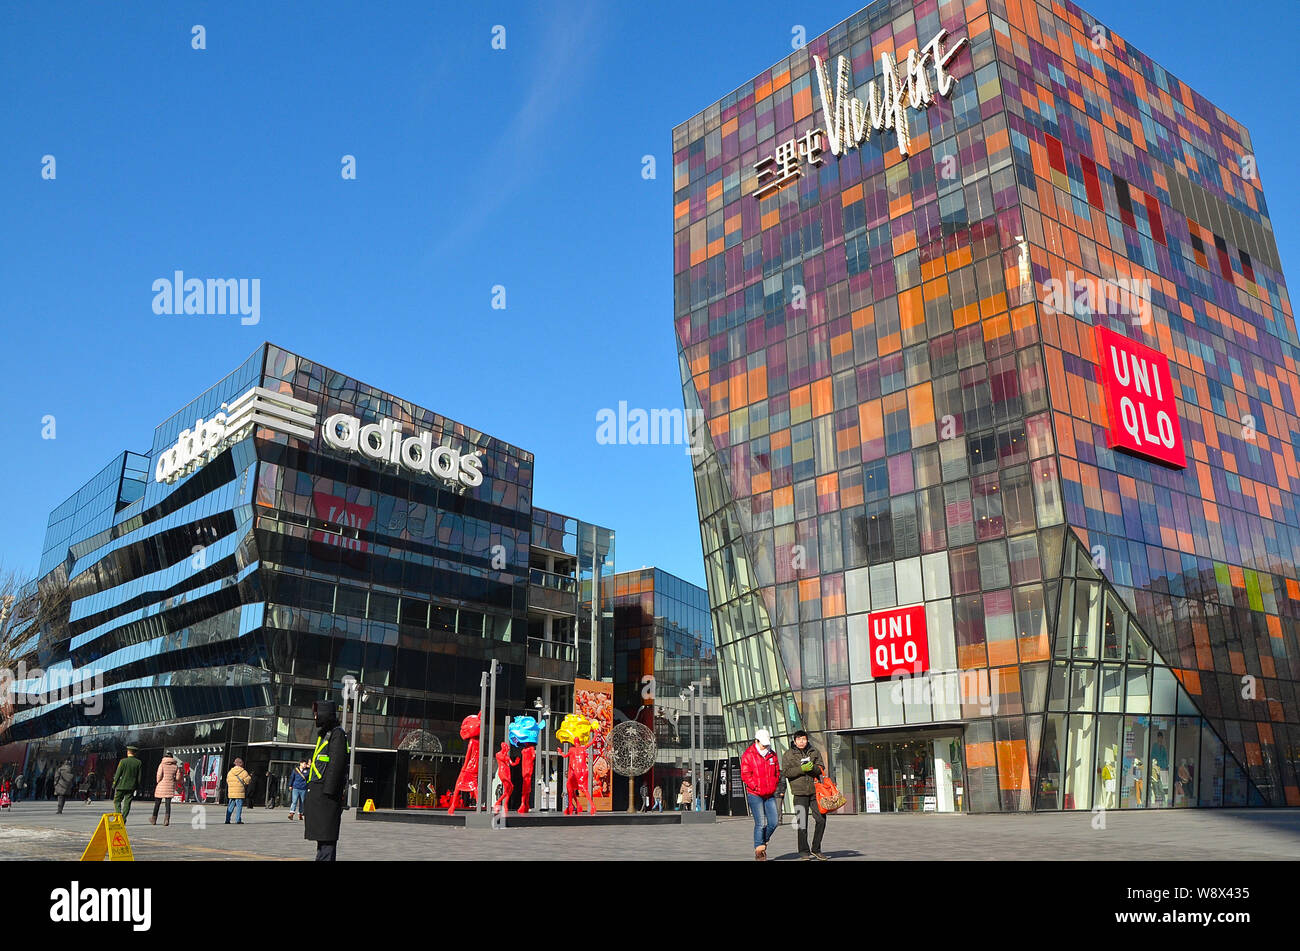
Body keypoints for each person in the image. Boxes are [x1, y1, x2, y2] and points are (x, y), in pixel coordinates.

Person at [305, 700, 350, 861]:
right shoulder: (326, 734)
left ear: (325, 713)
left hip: (326, 797)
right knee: (323, 838)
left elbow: (336, 764)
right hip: (320, 794)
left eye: (317, 713)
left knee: (327, 839)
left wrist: (328, 792)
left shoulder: (337, 733)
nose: (315, 717)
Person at [781, 730, 828, 860]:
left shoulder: (814, 751)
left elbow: (821, 768)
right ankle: (803, 851)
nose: (802, 741)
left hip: (815, 792)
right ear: (795, 741)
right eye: (799, 739)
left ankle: (816, 848)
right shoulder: (788, 754)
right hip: (799, 793)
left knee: (821, 820)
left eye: (804, 739)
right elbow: (786, 772)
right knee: (802, 823)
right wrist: (801, 769)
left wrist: (812, 767)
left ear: (807, 740)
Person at [740, 727, 781, 861]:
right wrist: (755, 786)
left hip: (769, 794)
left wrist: (774, 784)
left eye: (767, 744)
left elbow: (776, 772)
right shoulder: (748, 755)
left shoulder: (772, 754)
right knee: (761, 823)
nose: (765, 746)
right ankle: (759, 851)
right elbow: (745, 775)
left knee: (774, 822)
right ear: (756, 741)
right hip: (755, 793)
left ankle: (763, 840)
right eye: (763, 744)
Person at [111, 745, 143, 820]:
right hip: (131, 787)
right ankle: (123, 818)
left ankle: (118, 816)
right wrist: (137, 786)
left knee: (117, 801)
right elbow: (139, 777)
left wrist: (114, 784)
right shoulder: (138, 762)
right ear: (135, 753)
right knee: (127, 803)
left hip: (121, 786)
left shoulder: (123, 761)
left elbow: (117, 774)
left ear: (128, 752)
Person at [152, 751, 179, 826]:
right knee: (168, 804)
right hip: (170, 786)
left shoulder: (162, 765)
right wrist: (173, 780)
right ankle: (166, 820)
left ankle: (154, 819)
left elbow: (159, 775)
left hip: (161, 785)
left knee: (157, 803)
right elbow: (178, 777)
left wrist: (158, 781)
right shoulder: (175, 766)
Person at [224, 758, 252, 824]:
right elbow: (248, 781)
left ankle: (227, 820)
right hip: (239, 792)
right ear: (240, 763)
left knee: (230, 806)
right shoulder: (243, 772)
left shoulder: (230, 772)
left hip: (232, 792)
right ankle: (238, 820)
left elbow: (227, 781)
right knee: (239, 807)